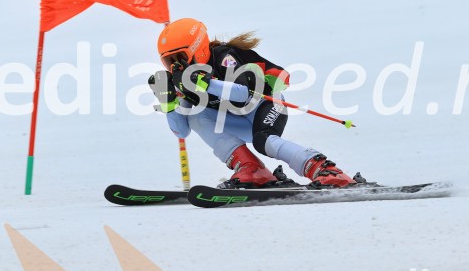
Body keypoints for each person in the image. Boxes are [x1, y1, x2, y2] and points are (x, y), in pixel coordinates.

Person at [150, 17, 358, 189]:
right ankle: (252, 169)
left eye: (181, 57)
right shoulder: (183, 80)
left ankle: (325, 170)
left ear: (198, 49)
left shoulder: (224, 57)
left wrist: (206, 84)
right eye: (169, 61)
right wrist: (169, 102)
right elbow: (181, 132)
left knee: (264, 140)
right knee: (195, 115)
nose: (177, 66)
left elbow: (243, 95)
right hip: (235, 120)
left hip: (265, 107)